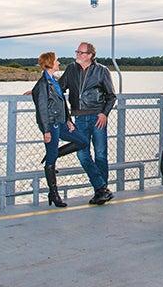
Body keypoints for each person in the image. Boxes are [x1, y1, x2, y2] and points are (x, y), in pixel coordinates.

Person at [58, 41, 116, 205]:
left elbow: (111, 96)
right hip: (79, 119)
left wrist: (104, 114)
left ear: (90, 55)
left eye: (81, 52)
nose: (77, 55)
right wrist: (38, 90)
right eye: (77, 52)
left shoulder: (102, 71)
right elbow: (59, 87)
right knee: (82, 154)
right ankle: (102, 188)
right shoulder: (71, 69)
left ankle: (101, 192)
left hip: (98, 118)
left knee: (100, 154)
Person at [31, 51, 88, 208]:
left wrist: (69, 120)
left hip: (62, 123)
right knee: (50, 159)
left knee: (82, 141)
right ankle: (54, 193)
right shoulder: (42, 85)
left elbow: (62, 102)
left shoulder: (54, 81)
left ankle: (53, 155)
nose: (59, 62)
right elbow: (42, 110)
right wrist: (46, 131)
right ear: (50, 63)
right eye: (56, 60)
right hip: (51, 125)